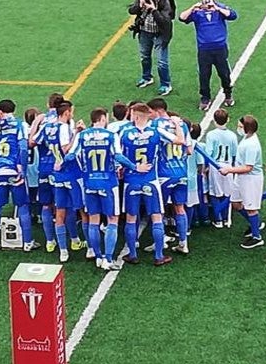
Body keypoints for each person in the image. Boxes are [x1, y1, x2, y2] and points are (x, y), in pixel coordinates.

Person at [67, 107, 131, 270]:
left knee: (93, 220)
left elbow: (71, 155)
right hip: (108, 183)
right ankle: (108, 259)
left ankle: (97, 256)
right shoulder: (111, 136)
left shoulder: (82, 135)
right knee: (112, 220)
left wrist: (61, 164)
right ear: (102, 119)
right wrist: (135, 166)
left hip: (89, 183)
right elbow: (118, 156)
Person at [118, 103, 182, 266]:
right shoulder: (156, 131)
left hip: (131, 181)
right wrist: (176, 124)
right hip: (151, 180)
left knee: (131, 218)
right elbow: (179, 141)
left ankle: (132, 254)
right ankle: (159, 256)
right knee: (156, 217)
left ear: (136, 115)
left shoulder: (124, 133)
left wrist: (132, 167)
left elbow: (116, 155)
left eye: (132, 113)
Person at [0, 100, 37, 254]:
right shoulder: (20, 125)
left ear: (0, 111)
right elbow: (23, 149)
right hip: (14, 171)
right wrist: (22, 170)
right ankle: (28, 242)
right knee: (23, 206)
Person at [179, 0, 238, 111]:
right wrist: (193, 8)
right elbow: (182, 17)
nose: (207, 0)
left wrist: (217, 8)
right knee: (204, 75)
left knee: (224, 73)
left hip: (220, 48)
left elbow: (233, 15)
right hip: (204, 49)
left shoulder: (220, 8)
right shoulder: (197, 12)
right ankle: (205, 98)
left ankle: (228, 94)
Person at [155, 99, 193, 255]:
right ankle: (183, 243)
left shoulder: (156, 126)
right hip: (181, 172)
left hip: (164, 174)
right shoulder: (182, 124)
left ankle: (161, 241)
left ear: (156, 111)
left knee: (159, 210)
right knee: (180, 208)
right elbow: (189, 150)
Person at [221, 115, 264, 249]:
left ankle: (256, 236)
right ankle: (255, 224)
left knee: (251, 208)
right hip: (241, 177)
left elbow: (248, 167)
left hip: (251, 179)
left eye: (240, 126)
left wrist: (229, 170)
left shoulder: (251, 145)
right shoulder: (247, 138)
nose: (238, 128)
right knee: (236, 204)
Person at [50, 101, 85, 262]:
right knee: (82, 210)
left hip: (58, 175)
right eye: (71, 112)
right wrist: (77, 133)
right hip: (71, 173)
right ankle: (90, 248)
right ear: (66, 113)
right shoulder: (64, 128)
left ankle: (64, 250)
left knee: (61, 212)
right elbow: (66, 149)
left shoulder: (50, 127)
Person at [29, 93, 65, 252]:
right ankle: (68, 240)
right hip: (59, 168)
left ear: (48, 103)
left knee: (45, 206)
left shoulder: (43, 122)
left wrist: (35, 122)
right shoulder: (64, 122)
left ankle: (50, 241)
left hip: (43, 167)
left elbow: (31, 142)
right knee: (62, 206)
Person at [128, 0, 176, 96]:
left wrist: (154, 10)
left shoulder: (165, 1)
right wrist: (139, 5)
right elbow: (131, 11)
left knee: (161, 62)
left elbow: (165, 21)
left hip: (160, 34)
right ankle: (146, 77)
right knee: (144, 56)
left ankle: (165, 84)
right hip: (145, 32)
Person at [204, 109, 237, 228]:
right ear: (228, 120)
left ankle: (217, 219)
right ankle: (226, 219)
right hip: (228, 165)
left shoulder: (211, 135)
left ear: (214, 120)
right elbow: (234, 154)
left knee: (214, 192)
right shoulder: (232, 135)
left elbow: (208, 153)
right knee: (227, 193)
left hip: (215, 165)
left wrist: (206, 167)